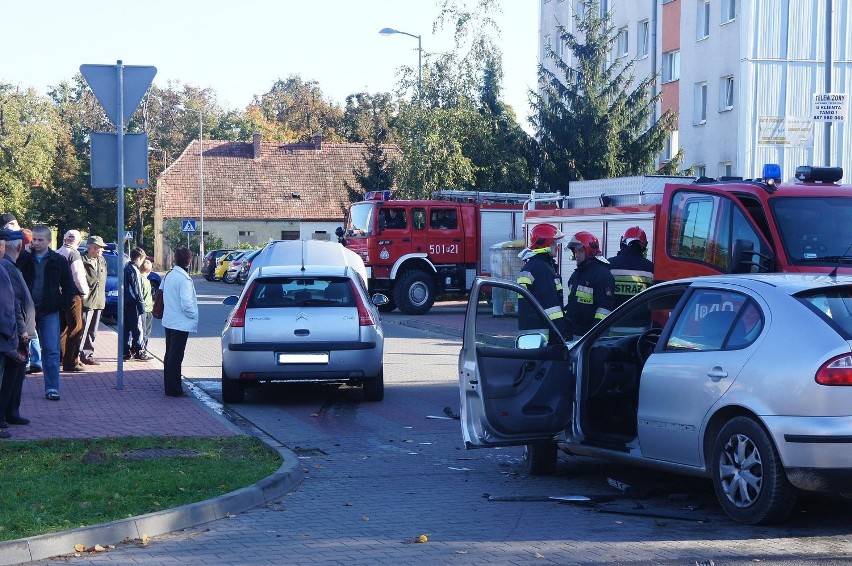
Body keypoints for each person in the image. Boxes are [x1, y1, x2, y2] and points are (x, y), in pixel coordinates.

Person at [15, 225, 75, 401]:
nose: (36, 242)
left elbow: (70, 288)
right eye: (34, 239)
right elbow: (15, 274)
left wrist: (59, 304)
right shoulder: (25, 258)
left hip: (49, 310)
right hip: (27, 311)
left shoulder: (58, 261)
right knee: (20, 349)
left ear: (49, 241)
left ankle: (52, 388)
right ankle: (15, 388)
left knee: (51, 349)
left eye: (40, 240)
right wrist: (25, 253)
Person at [0, 229, 34, 432]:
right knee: (9, 373)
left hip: (14, 329)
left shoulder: (10, 266)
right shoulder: (6, 267)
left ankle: (10, 412)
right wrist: (19, 330)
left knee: (17, 372)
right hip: (11, 331)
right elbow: (12, 303)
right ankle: (3, 414)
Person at [516, 223, 569, 338]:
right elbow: (551, 307)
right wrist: (562, 332)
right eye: (554, 243)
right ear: (545, 244)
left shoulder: (532, 266)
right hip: (543, 332)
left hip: (531, 330)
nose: (557, 247)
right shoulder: (542, 270)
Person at [564, 231, 615, 339]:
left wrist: (593, 334)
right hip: (574, 332)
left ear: (589, 251)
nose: (577, 255)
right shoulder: (577, 274)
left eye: (580, 251)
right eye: (575, 251)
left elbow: (605, 308)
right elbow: (572, 304)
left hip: (590, 336)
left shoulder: (602, 274)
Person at [161, 247, 198, 397]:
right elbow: (186, 303)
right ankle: (174, 389)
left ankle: (169, 386)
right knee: (176, 357)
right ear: (188, 260)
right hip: (180, 322)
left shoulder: (169, 275)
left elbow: (161, 291)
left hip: (169, 319)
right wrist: (193, 314)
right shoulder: (184, 279)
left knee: (169, 355)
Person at [57, 230, 88, 372]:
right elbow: (78, 275)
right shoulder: (74, 254)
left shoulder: (57, 252)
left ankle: (61, 358)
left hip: (58, 293)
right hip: (72, 294)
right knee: (75, 327)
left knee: (62, 327)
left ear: (64, 239)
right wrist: (84, 291)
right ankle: (71, 362)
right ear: (79, 242)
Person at [607, 226, 655, 309]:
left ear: (623, 243)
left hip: (613, 319)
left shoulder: (609, 264)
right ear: (643, 247)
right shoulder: (650, 268)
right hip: (640, 319)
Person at [79, 236, 108, 365]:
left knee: (93, 330)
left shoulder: (102, 260)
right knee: (81, 329)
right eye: (100, 247)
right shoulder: (81, 259)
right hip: (86, 300)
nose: (102, 250)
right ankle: (75, 355)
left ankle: (87, 354)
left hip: (99, 301)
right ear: (92, 247)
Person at [123, 247, 150, 361]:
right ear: (139, 258)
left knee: (127, 328)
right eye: (142, 259)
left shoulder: (126, 268)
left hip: (126, 302)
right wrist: (141, 304)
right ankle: (139, 351)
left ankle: (126, 351)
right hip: (134, 303)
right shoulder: (135, 270)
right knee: (138, 328)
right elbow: (137, 289)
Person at [138, 259, 155, 357]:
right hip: (146, 310)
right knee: (145, 332)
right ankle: (143, 350)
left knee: (143, 331)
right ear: (149, 271)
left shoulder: (140, 280)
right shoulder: (145, 281)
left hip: (144, 309)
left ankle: (141, 349)